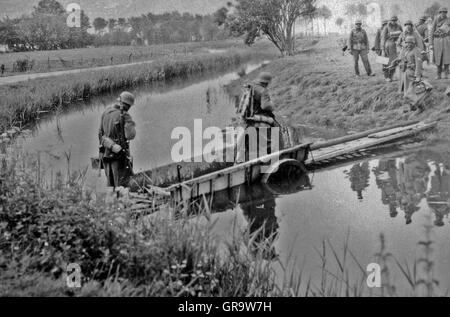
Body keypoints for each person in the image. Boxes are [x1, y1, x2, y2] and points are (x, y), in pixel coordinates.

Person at [236, 72, 279, 163]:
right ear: (266, 82)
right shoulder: (263, 91)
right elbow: (265, 106)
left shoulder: (250, 87)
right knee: (276, 128)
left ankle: (240, 159)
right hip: (259, 117)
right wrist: (273, 105)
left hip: (248, 118)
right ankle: (273, 155)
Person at [98, 91, 136, 188]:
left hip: (106, 155)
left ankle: (112, 203)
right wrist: (130, 122)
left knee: (110, 186)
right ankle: (122, 202)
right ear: (128, 105)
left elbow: (100, 134)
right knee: (122, 186)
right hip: (120, 156)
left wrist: (110, 145)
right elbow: (130, 135)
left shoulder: (106, 112)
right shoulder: (125, 116)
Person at [394, 36, 424, 111]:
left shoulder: (416, 51)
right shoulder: (405, 50)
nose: (409, 45)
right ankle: (412, 107)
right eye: (407, 43)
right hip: (406, 74)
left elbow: (418, 64)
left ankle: (420, 108)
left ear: (414, 43)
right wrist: (397, 61)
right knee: (406, 92)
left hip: (412, 74)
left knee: (411, 92)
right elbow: (402, 58)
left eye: (411, 43)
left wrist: (417, 76)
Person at [381, 16, 403, 82]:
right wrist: (382, 50)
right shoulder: (386, 27)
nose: (394, 22)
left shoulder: (399, 26)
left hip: (396, 46)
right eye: (392, 20)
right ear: (390, 21)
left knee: (394, 61)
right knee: (384, 61)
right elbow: (383, 39)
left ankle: (391, 76)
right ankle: (386, 76)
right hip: (387, 45)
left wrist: (401, 43)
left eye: (395, 20)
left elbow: (402, 35)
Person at [430, 7, 450, 79]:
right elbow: (432, 32)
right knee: (438, 58)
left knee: (447, 58)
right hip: (437, 41)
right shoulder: (436, 20)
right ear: (439, 12)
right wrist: (431, 44)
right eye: (441, 12)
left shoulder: (448, 20)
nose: (443, 13)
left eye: (444, 12)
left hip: (446, 41)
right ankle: (438, 74)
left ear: (446, 13)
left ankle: (446, 74)